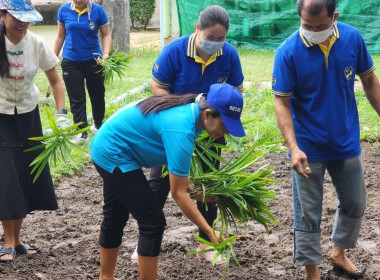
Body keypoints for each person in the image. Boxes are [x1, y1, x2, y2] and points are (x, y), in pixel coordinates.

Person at [90, 83, 245, 280]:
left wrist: (194, 189)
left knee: (115, 216)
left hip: (111, 145)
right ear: (207, 114)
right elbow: (178, 194)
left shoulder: (190, 114)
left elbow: (177, 175)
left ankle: (106, 277)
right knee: (152, 223)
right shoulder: (182, 129)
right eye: (224, 125)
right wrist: (209, 232)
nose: (227, 132)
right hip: (113, 151)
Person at [272, 0, 380, 279]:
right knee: (307, 213)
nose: (313, 31)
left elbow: (369, 82)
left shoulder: (352, 39)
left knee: (356, 203)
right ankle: (312, 272)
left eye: (321, 26)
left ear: (335, 17)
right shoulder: (288, 51)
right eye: (307, 26)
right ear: (300, 18)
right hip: (307, 148)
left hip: (346, 141)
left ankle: (338, 253)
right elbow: (281, 103)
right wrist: (293, 148)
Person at [145, 4, 244, 264]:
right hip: (174, 130)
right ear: (197, 29)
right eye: (210, 38)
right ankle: (146, 242)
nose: (215, 43)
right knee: (159, 185)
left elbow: (238, 89)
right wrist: (179, 114)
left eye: (220, 39)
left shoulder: (229, 55)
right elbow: (157, 84)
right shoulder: (175, 51)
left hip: (210, 132)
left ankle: (206, 243)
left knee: (207, 187)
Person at [0, 0, 67, 262]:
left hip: (28, 115)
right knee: (7, 177)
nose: (22, 23)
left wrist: (62, 115)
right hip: (1, 117)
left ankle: (17, 241)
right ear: (3, 15)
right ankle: (7, 241)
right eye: (16, 17)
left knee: (25, 174)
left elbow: (55, 80)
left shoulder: (36, 43)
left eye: (26, 18)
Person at [53, 0, 111, 141]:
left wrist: (105, 54)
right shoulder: (64, 10)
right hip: (71, 61)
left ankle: (98, 125)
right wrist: (52, 58)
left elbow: (106, 35)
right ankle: (82, 132)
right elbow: (60, 36)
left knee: (97, 95)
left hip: (94, 61)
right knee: (76, 99)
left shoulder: (98, 11)